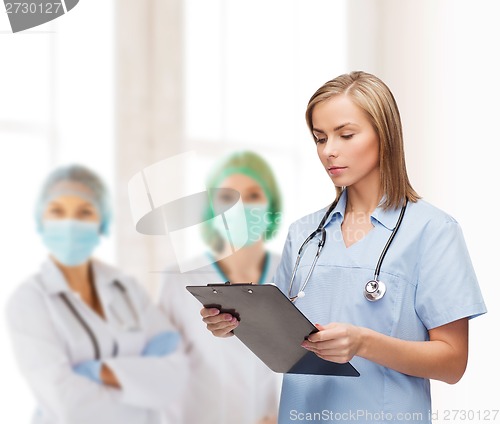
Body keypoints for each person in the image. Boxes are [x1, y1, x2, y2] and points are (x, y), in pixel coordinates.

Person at [201, 72, 487, 423]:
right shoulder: (304, 234)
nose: (329, 150)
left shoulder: (433, 231)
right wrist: (235, 324)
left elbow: (453, 362)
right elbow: (282, 332)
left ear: (385, 135)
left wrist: (364, 343)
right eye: (320, 138)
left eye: (346, 135)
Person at [5, 164, 187, 424]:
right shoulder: (29, 301)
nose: (70, 223)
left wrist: (97, 372)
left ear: (102, 221)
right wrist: (140, 384)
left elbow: (174, 378)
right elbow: (68, 406)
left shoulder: (127, 288)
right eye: (57, 211)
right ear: (40, 220)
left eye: (84, 212)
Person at [159, 151, 282, 424]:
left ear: (271, 206)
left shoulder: (293, 273)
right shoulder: (179, 279)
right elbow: (163, 375)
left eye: (252, 196)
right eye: (227, 198)